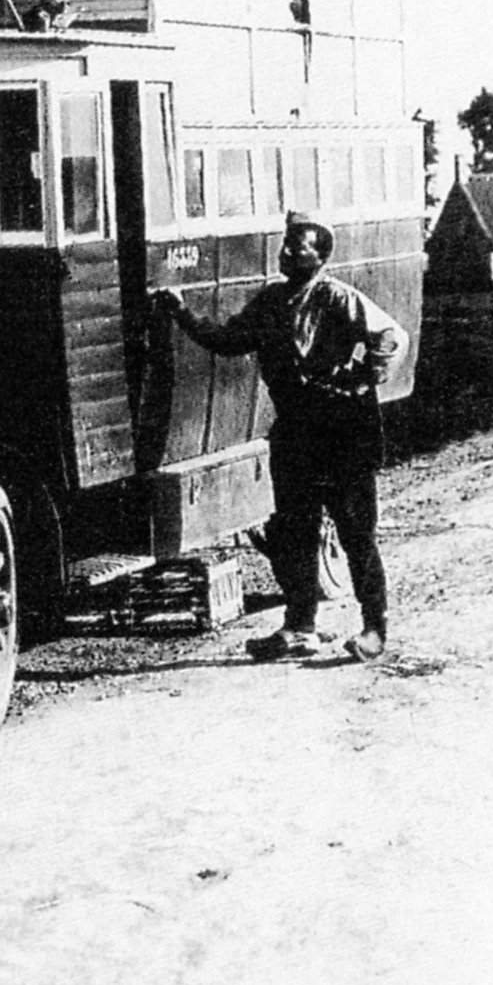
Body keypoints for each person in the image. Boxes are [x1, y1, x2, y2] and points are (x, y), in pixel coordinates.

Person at [155, 212, 409, 662]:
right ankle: (300, 628)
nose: (287, 253)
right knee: (295, 532)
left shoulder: (338, 297)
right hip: (295, 431)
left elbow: (392, 335)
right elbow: (228, 340)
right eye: (285, 246)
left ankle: (375, 629)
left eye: (299, 247)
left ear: (321, 257)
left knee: (356, 536)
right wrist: (180, 312)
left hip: (343, 432)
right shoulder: (271, 302)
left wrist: (363, 375)